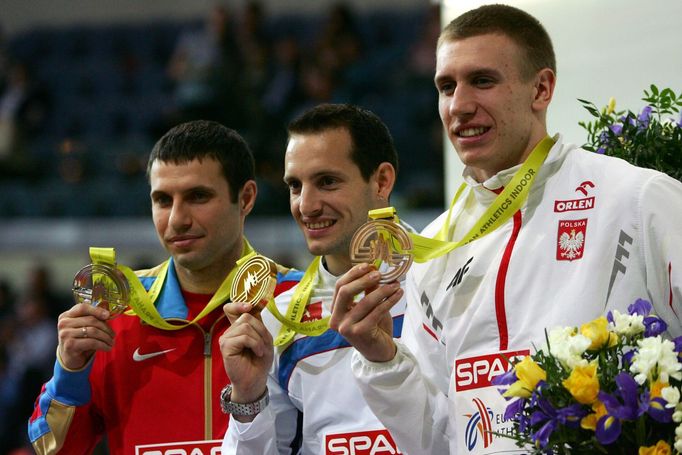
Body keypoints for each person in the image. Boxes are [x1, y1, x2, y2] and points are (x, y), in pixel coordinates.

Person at [329, 4, 682, 454]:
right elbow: (436, 440)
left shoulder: (636, 200)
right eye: (445, 86)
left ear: (541, 88)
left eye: (482, 81)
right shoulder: (434, 249)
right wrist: (382, 358)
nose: (459, 105)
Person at [27, 120, 299, 454]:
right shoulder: (115, 312)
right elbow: (50, 450)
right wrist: (69, 370)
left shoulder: (296, 303)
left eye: (198, 196)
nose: (176, 220)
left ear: (245, 198)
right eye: (163, 200)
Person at [219, 104, 407, 454]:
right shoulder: (280, 319)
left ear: (382, 181)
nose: (306, 205)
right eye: (295, 185)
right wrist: (248, 396)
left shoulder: (444, 281)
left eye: (327, 182)